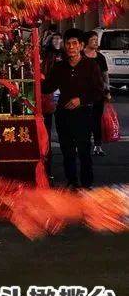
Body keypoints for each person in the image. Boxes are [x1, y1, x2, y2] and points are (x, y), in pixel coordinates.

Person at [42, 28, 104, 189]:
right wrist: (34, 77)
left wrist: (81, 100)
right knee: (67, 151)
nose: (71, 47)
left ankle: (87, 183)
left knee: (84, 151)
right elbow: (47, 87)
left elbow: (98, 91)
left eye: (74, 43)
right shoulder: (60, 67)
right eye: (68, 43)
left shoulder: (91, 66)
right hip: (63, 114)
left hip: (83, 114)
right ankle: (72, 182)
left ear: (81, 46)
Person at [83, 30, 111, 156]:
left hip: (98, 94)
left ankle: (98, 146)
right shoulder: (80, 55)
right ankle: (82, 145)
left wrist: (108, 91)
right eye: (93, 40)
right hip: (82, 94)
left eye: (96, 40)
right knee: (83, 120)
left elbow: (105, 75)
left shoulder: (100, 57)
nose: (96, 42)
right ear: (86, 42)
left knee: (96, 120)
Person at [41, 32, 64, 180]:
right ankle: (47, 163)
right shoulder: (46, 54)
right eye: (54, 38)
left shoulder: (65, 54)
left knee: (63, 126)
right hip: (48, 95)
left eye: (59, 38)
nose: (57, 40)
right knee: (47, 128)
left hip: (63, 94)